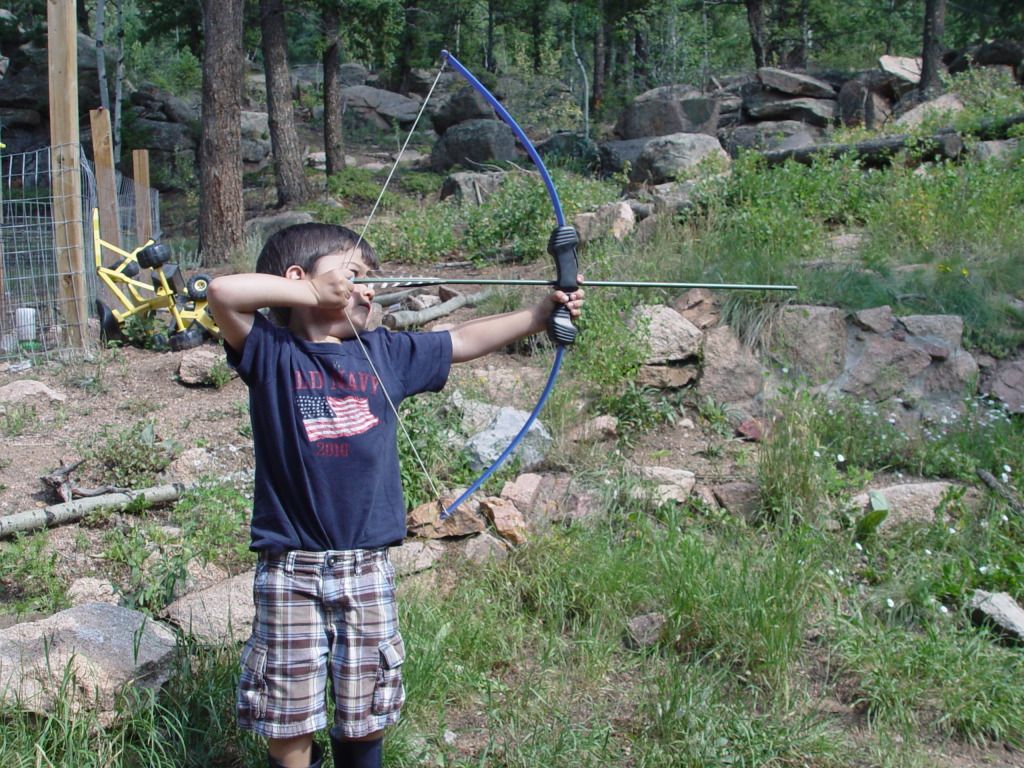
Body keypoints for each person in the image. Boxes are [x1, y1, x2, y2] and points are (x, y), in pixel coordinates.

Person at [206, 222, 584, 768]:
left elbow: (463, 340)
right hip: (290, 567)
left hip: (366, 566)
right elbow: (223, 293)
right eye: (355, 275)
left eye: (369, 278)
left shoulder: (386, 353)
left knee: (364, 713)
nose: (369, 289)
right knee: (287, 717)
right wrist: (313, 293)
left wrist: (539, 314)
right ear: (296, 280)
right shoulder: (270, 351)